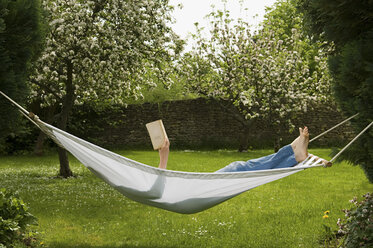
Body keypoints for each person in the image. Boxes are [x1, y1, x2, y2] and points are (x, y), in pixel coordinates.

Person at [157, 126, 331, 171]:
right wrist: (164, 155)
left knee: (244, 167)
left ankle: (295, 151)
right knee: (242, 168)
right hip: (204, 186)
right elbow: (159, 190)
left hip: (203, 184)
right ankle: (295, 152)